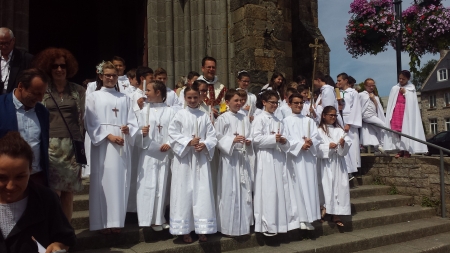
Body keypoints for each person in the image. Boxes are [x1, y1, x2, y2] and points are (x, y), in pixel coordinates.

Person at [84, 61, 139, 234]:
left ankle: (116, 222)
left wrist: (128, 129)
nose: (110, 78)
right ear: (100, 76)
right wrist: (109, 136)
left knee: (120, 182)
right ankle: (101, 223)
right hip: (103, 145)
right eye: (107, 75)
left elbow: (132, 121)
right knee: (103, 180)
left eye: (113, 75)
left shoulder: (124, 98)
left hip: (121, 144)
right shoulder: (93, 96)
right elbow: (90, 122)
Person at [0, 131, 76, 253]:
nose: (10, 186)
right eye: (2, 178)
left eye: (19, 177)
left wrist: (57, 246)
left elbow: (65, 238)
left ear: (30, 170)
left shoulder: (46, 199)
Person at [33, 47, 85, 221]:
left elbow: (84, 117)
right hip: (50, 145)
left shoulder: (78, 91)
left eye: (62, 66)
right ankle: (52, 231)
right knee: (53, 190)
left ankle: (66, 233)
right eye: (55, 66)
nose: (59, 69)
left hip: (72, 145)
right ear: (49, 68)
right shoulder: (43, 90)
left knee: (68, 191)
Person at [168, 84, 218, 243]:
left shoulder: (204, 116)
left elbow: (212, 136)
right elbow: (172, 134)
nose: (192, 100)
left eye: (195, 97)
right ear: (184, 98)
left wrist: (205, 144)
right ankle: (185, 230)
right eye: (189, 97)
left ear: (200, 98)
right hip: (184, 160)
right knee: (184, 193)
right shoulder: (179, 115)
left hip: (200, 159)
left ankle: (202, 228)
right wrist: (188, 141)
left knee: (201, 193)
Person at [252, 90, 296, 236]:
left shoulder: (278, 121)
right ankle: (266, 224)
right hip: (265, 158)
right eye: (272, 102)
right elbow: (256, 140)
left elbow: (286, 140)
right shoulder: (259, 119)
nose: (275, 105)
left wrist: (283, 141)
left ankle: (279, 223)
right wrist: (273, 139)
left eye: (277, 103)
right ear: (264, 102)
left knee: (279, 190)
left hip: (278, 158)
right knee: (267, 190)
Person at [136, 80, 175, 231]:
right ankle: (146, 218)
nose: (146, 93)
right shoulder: (143, 111)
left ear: (158, 93)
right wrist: (141, 133)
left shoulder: (171, 112)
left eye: (149, 91)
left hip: (164, 154)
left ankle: (159, 218)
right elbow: (135, 132)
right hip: (148, 154)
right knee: (147, 185)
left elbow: (175, 131)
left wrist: (170, 143)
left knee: (162, 186)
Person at [0, 68, 50, 186]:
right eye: (36, 93)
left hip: (36, 178)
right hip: (6, 179)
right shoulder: (1, 107)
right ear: (21, 86)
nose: (40, 99)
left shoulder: (42, 112)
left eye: (43, 94)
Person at [215, 89, 254, 236]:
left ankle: (243, 225)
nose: (239, 103)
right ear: (227, 102)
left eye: (240, 100)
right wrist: (232, 140)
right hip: (229, 159)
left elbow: (250, 134)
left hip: (242, 157)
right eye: (236, 100)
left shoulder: (244, 117)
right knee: (229, 190)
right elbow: (217, 138)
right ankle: (227, 226)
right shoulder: (222, 118)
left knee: (244, 191)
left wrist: (249, 141)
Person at [283, 93, 321, 230]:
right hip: (295, 159)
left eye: (301, 103)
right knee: (297, 186)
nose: (299, 105)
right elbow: (285, 139)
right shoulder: (285, 121)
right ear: (290, 104)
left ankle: (310, 217)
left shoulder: (309, 121)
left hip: (309, 158)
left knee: (309, 185)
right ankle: (299, 218)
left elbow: (317, 137)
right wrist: (300, 145)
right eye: (296, 103)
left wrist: (311, 142)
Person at [317, 106, 352, 227]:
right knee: (326, 186)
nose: (333, 117)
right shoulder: (319, 130)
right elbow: (316, 147)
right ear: (323, 115)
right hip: (325, 163)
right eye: (330, 115)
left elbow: (347, 142)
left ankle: (336, 213)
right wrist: (327, 147)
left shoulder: (339, 130)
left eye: (335, 115)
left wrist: (343, 144)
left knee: (339, 187)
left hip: (338, 163)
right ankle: (323, 209)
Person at [126, 66, 154, 213]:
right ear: (142, 79)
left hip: (150, 139)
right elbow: (127, 115)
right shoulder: (130, 95)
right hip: (136, 140)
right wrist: (137, 106)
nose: (153, 80)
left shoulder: (153, 94)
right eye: (150, 78)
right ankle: (132, 208)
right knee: (135, 173)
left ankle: (147, 208)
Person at [384, 70, 428, 157]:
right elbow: (391, 102)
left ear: (408, 79)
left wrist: (406, 93)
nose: (400, 80)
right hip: (397, 111)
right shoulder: (395, 88)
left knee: (406, 131)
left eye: (403, 79)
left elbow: (412, 102)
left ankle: (407, 150)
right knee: (397, 131)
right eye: (399, 78)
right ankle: (400, 150)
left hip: (406, 112)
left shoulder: (411, 88)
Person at [336, 73, 362, 177]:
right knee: (343, 142)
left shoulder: (353, 92)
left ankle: (353, 168)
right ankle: (346, 167)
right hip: (340, 118)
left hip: (349, 120)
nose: (338, 83)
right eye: (337, 81)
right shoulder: (338, 93)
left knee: (352, 144)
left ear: (346, 80)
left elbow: (355, 108)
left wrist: (349, 123)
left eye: (339, 80)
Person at [0, 27, 33, 94]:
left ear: (13, 40)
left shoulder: (25, 58)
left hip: (15, 99)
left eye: (6, 43)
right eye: (0, 43)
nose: (3, 46)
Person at [359, 78, 386, 154]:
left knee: (375, 131)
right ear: (365, 86)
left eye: (373, 86)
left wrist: (373, 99)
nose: (371, 87)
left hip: (373, 115)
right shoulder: (361, 95)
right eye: (369, 86)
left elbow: (377, 107)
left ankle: (377, 148)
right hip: (366, 116)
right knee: (383, 126)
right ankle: (382, 145)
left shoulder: (375, 96)